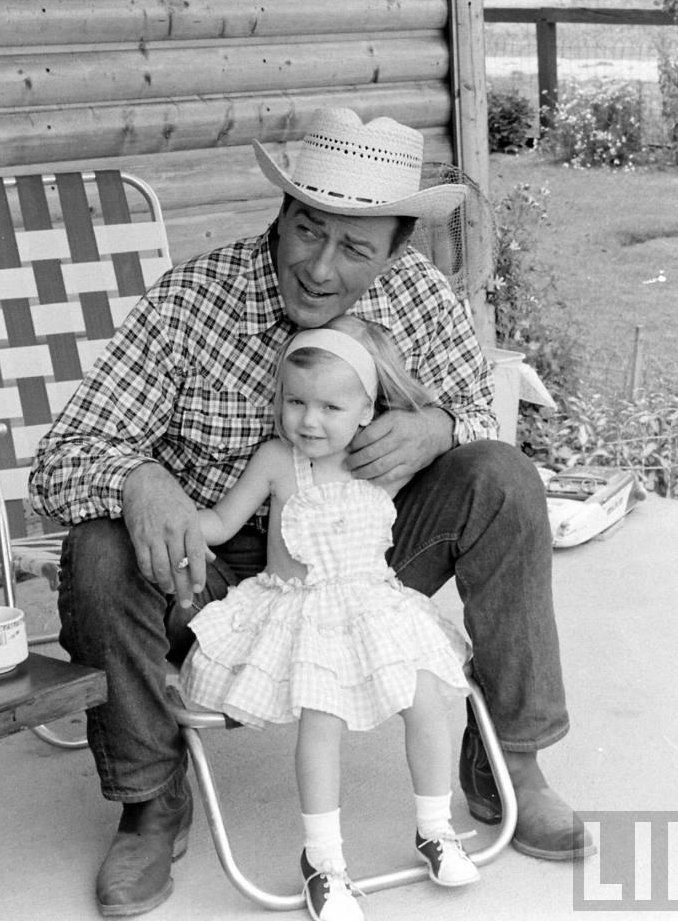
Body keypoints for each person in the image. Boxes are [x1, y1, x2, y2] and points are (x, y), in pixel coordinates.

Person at [30, 106, 591, 920]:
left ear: (395, 251)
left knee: (501, 477)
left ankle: (511, 759)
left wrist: (441, 426)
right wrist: (137, 477)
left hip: (361, 561)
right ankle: (149, 803)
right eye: (307, 231)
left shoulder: (420, 297)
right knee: (97, 547)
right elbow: (61, 459)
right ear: (282, 213)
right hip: (209, 573)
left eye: (355, 248)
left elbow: (480, 410)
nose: (320, 268)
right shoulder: (193, 299)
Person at [181, 315, 480, 918]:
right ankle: (323, 861)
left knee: (424, 694)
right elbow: (221, 522)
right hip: (299, 612)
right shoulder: (277, 460)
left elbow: (457, 434)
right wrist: (178, 523)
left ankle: (436, 829)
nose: (309, 421)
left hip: (373, 604)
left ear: (367, 412)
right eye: (295, 401)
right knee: (322, 716)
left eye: (330, 407)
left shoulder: (383, 463)